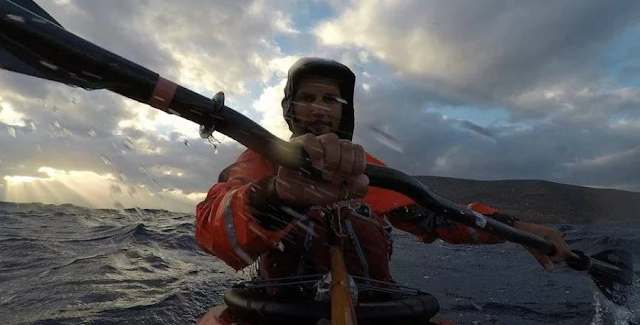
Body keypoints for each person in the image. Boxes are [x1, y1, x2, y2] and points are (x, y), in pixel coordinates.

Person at [195, 57, 572, 324]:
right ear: (290, 107)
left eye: (330, 99)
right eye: (307, 98)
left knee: (355, 215)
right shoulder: (258, 160)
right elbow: (214, 231)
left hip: (379, 309)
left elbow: (433, 216)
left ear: (345, 111)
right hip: (277, 309)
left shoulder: (368, 168)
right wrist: (279, 195)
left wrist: (517, 228)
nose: (319, 109)